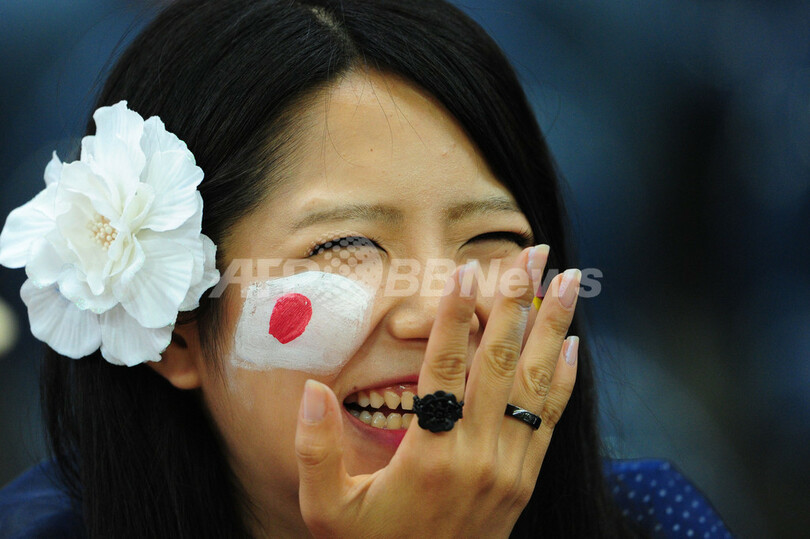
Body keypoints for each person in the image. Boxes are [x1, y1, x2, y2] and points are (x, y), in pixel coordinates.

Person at [0, 0, 733, 537]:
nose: (436, 310)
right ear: (176, 332)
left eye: (490, 238)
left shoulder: (658, 520)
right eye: (346, 247)